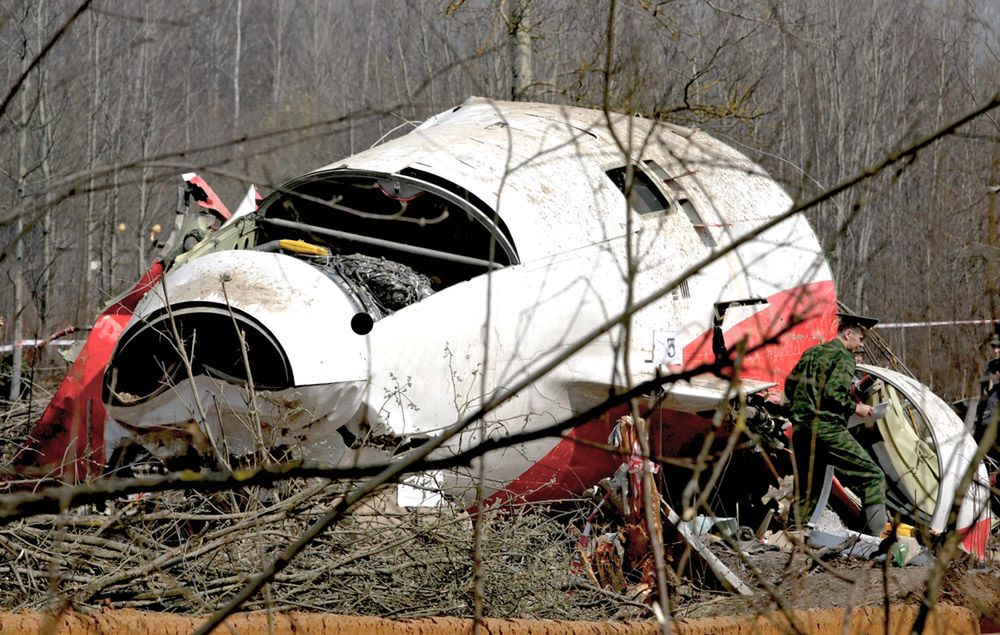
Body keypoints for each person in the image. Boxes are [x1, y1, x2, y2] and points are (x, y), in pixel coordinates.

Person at [784, 312, 888, 536]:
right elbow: (833, 393)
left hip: (802, 431)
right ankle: (876, 538)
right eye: (860, 339)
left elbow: (790, 387)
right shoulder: (843, 356)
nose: (860, 345)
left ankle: (794, 536)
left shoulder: (811, 353)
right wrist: (856, 407)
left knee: (807, 488)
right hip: (827, 428)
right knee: (872, 476)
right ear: (848, 333)